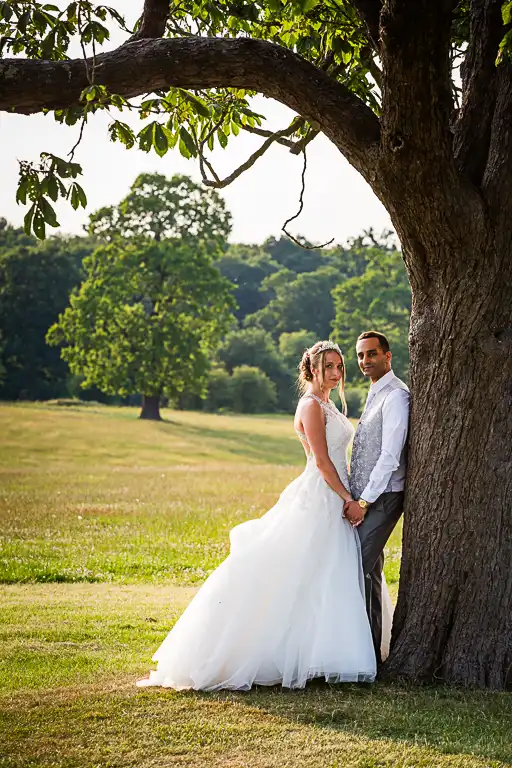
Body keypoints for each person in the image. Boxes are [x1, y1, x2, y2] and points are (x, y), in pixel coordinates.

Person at [137, 340, 376, 691]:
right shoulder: (310, 406)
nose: (337, 373)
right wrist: (347, 498)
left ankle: (321, 655)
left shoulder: (328, 404)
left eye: (340, 366)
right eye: (329, 367)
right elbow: (322, 461)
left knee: (325, 575)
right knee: (299, 574)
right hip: (321, 495)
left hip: (334, 496)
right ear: (312, 369)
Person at [343, 331, 410, 664]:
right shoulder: (374, 392)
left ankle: (360, 656)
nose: (364, 361)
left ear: (388, 356)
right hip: (366, 497)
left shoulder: (396, 395)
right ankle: (369, 655)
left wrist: (365, 501)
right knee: (369, 573)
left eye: (371, 354)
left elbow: (390, 455)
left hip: (382, 498)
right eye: (360, 356)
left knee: (356, 569)